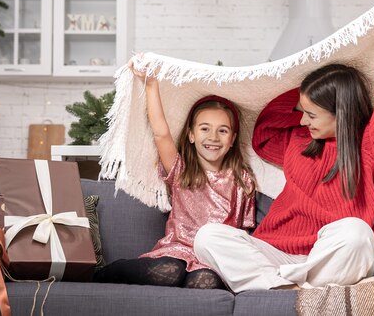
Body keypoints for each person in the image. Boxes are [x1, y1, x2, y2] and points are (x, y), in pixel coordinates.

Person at [194, 0, 374, 292]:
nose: (301, 120)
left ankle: (280, 291)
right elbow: (265, 130)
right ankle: (294, 293)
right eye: (302, 111)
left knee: (357, 233)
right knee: (207, 237)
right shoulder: (298, 140)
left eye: (311, 114)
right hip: (275, 253)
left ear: (341, 112)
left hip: (329, 256)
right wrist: (304, 80)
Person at [95, 61, 257, 289]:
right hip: (177, 250)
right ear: (191, 135)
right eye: (204, 128)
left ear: (232, 140)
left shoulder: (242, 179)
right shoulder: (181, 169)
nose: (213, 136)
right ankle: (112, 271)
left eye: (223, 130)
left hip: (213, 259)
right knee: (169, 272)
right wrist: (151, 84)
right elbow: (161, 133)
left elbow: (244, 231)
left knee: (205, 282)